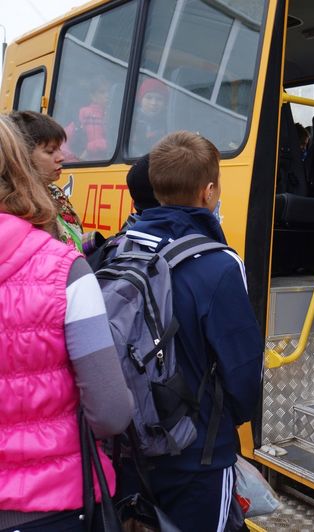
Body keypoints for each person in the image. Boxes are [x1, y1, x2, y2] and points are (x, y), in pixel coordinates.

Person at [123, 131, 263, 531]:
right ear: (209, 191)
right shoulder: (219, 264)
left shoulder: (118, 248)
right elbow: (242, 368)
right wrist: (228, 425)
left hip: (130, 442)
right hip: (197, 453)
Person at [0, 115, 133, 531]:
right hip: (50, 505)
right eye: (49, 150)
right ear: (20, 167)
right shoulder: (65, 270)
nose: (62, 158)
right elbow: (111, 413)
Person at [9, 110, 85, 251]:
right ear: (23, 155)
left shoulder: (56, 193)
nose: (61, 157)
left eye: (59, 149)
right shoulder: (14, 205)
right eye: (50, 151)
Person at [130, 78, 168, 156]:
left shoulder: (167, 122)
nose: (153, 103)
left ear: (165, 103)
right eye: (149, 97)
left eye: (159, 99)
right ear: (140, 99)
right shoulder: (132, 119)